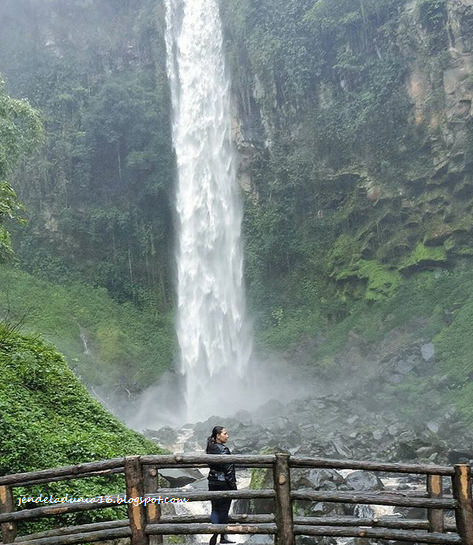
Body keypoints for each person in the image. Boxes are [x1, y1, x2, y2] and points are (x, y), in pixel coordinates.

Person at [206, 426, 237, 545]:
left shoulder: (210, 448)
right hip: (223, 483)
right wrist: (233, 486)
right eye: (225, 433)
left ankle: (215, 532)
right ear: (218, 436)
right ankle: (222, 536)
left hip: (212, 481)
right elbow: (229, 470)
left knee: (215, 509)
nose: (227, 436)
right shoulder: (224, 450)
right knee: (223, 510)